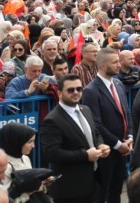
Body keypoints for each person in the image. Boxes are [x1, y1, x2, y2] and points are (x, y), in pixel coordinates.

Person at [40, 74, 111, 202]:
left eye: (79, 89)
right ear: (60, 93)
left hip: (93, 183)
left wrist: (100, 144)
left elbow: (95, 132)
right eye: (70, 90)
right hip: (70, 189)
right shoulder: (53, 120)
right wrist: (85, 155)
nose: (76, 93)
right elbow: (51, 153)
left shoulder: (86, 110)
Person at [81, 47, 133, 203]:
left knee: (116, 192)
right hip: (106, 151)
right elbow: (96, 124)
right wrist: (117, 144)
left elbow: (126, 113)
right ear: (103, 66)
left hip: (123, 148)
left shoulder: (118, 84)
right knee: (101, 193)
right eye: (115, 62)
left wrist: (129, 137)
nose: (119, 65)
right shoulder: (91, 91)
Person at [0, 122, 36, 199]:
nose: (33, 146)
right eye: (29, 142)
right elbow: (5, 197)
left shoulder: (25, 158)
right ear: (17, 141)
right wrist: (31, 191)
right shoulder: (3, 165)